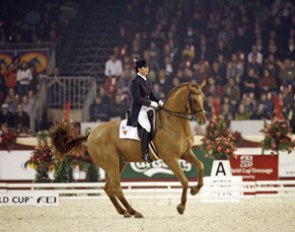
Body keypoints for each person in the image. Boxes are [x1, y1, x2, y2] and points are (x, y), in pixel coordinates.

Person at [129, 59, 164, 163]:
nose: (147, 69)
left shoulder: (147, 80)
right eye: (144, 67)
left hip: (148, 108)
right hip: (139, 109)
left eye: (147, 67)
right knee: (147, 127)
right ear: (139, 69)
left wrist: (158, 101)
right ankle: (144, 153)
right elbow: (137, 98)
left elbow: (151, 95)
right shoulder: (135, 81)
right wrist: (150, 103)